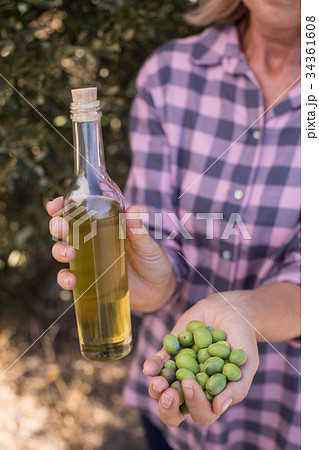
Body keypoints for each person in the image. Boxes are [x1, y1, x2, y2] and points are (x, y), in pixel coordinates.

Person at [47, 0, 301, 448]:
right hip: (168, 415)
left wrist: (247, 312)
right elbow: (156, 231)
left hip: (285, 419)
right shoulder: (169, 75)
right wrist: (150, 282)